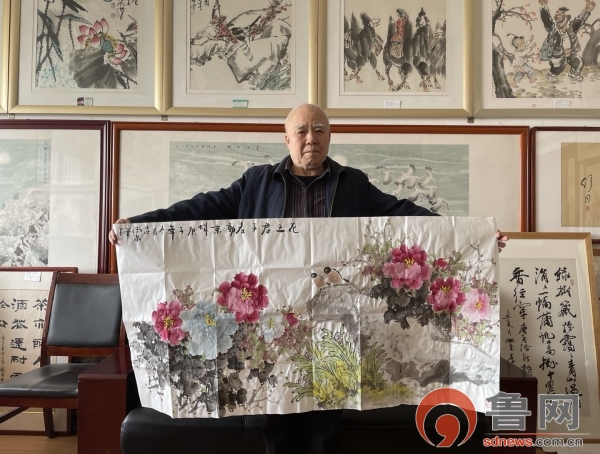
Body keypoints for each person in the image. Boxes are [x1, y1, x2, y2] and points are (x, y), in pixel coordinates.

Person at [109, 103, 507, 453]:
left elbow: (403, 214)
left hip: (333, 317)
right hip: (276, 320)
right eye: (301, 130)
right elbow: (201, 207)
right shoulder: (256, 183)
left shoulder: (353, 183)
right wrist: (139, 225)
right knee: (277, 411)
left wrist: (476, 237)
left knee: (327, 416)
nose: (310, 138)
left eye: (319, 130)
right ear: (287, 138)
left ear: (330, 137)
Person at [539, 0, 596, 83]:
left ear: (568, 19)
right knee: (560, 64)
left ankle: (574, 74)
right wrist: (544, 6)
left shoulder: (571, 27)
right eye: (557, 13)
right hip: (558, 56)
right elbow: (546, 19)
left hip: (571, 54)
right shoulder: (553, 29)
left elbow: (580, 19)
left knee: (579, 61)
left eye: (562, 15)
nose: (558, 16)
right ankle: (551, 74)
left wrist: (587, 10)